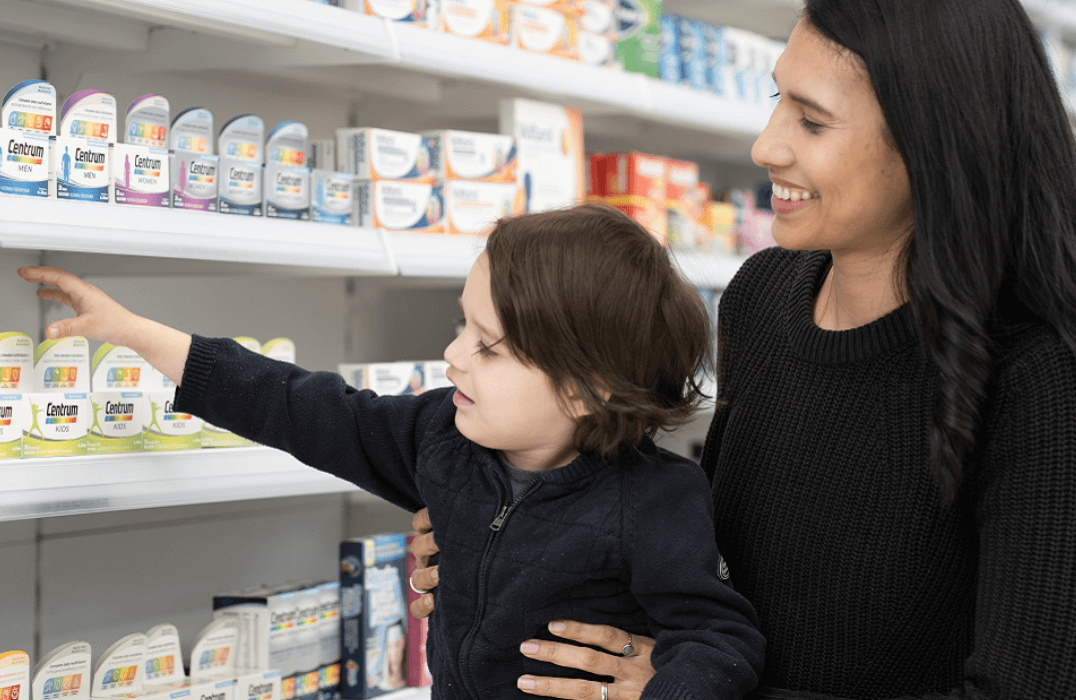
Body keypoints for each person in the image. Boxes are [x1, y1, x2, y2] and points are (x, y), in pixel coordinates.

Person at [408, 0, 1076, 698]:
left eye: (811, 120)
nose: (766, 146)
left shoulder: (1038, 372)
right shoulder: (764, 295)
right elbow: (704, 562)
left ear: (934, 139)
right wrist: (509, 539)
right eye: (775, 99)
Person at [18, 204, 766, 700]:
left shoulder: (655, 500)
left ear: (586, 392)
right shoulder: (441, 437)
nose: (452, 356)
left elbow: (719, 634)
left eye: (490, 347)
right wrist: (141, 334)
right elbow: (301, 406)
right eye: (460, 326)